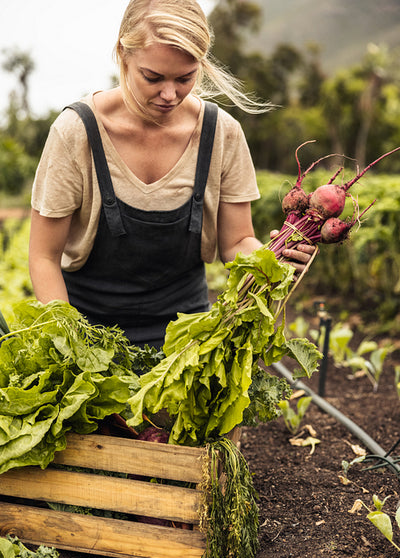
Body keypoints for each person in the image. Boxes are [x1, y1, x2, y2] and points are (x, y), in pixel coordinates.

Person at [29, 0, 314, 349]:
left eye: (185, 79)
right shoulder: (77, 132)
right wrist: (70, 345)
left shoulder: (221, 133)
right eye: (153, 77)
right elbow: (43, 257)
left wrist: (274, 259)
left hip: (187, 341)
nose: (169, 94)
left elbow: (236, 242)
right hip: (89, 334)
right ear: (123, 54)